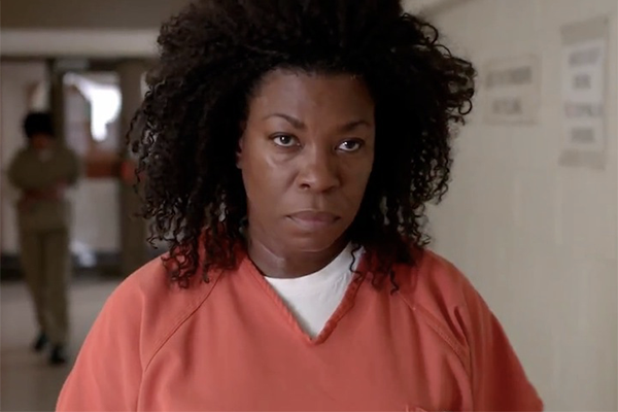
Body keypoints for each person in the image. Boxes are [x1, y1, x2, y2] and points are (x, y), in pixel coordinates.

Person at [56, 0, 543, 410]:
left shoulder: (444, 305)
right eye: (285, 139)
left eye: (349, 144)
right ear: (238, 144)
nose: (320, 176)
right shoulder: (145, 315)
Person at [8, 111, 80, 365]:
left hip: (57, 226)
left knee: (56, 282)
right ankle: (45, 328)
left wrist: (55, 191)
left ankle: (59, 339)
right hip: (30, 227)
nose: (39, 141)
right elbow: (12, 186)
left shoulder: (65, 157)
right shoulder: (21, 160)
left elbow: (73, 182)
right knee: (36, 282)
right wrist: (34, 195)